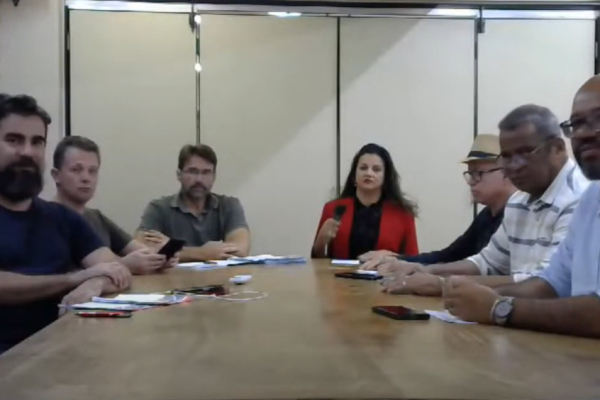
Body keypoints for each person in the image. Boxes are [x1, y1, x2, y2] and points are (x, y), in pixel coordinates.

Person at [440, 75, 600, 338]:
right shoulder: (592, 197)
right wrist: (468, 295)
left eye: (598, 119)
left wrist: (498, 308)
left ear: (557, 149)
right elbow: (550, 284)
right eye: (578, 123)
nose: (583, 133)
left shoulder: (576, 193)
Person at [381, 104, 589, 296]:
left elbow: (546, 283)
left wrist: (442, 284)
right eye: (506, 157)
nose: (513, 166)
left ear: (557, 148)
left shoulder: (581, 198)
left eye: (524, 153)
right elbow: (487, 263)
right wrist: (426, 270)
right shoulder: (519, 200)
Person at [0, 95, 131, 354]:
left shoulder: (62, 218)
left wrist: (95, 283)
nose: (27, 152)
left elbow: (116, 270)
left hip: (63, 352)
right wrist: (75, 278)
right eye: (13, 140)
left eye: (37, 142)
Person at [363, 134, 515, 270]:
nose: (471, 182)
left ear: (507, 172)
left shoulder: (518, 216)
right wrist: (398, 260)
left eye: (479, 173)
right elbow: (450, 255)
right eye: (470, 173)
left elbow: (506, 279)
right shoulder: (486, 216)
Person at [52, 136, 177, 274]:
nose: (86, 178)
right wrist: (125, 265)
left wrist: (159, 257)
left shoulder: (96, 217)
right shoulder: (46, 219)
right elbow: (60, 275)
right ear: (56, 175)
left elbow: (139, 250)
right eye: (76, 169)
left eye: (92, 171)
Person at [137, 144, 250, 261]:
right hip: (172, 274)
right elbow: (141, 250)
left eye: (206, 172)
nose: (199, 179)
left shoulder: (229, 206)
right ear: (179, 175)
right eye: (192, 171)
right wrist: (203, 253)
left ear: (214, 177)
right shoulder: (158, 209)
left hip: (221, 274)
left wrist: (170, 247)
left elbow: (240, 250)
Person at [312, 143, 419, 260]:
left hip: (384, 272)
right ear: (354, 175)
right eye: (363, 168)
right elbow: (317, 261)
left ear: (386, 177)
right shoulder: (333, 209)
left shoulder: (403, 213)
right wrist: (320, 241)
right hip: (339, 272)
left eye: (376, 169)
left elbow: (414, 261)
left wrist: (390, 255)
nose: (369, 173)